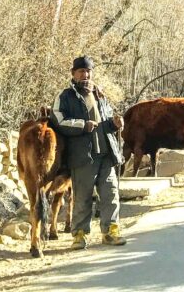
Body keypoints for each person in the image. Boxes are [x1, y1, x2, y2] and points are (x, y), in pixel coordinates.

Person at [52, 56, 127, 249]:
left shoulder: (99, 95)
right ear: (73, 74)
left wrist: (114, 123)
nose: (85, 75)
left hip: (106, 154)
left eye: (88, 71)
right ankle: (79, 235)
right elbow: (58, 121)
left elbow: (108, 119)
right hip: (83, 156)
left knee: (110, 194)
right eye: (81, 72)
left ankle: (111, 232)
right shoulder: (65, 96)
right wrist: (82, 125)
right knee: (82, 198)